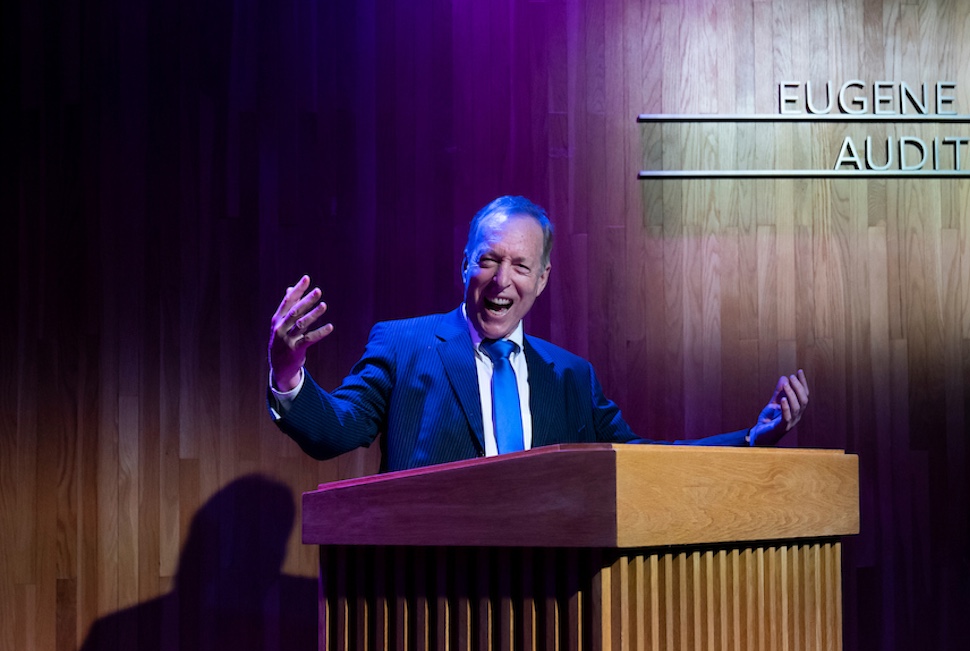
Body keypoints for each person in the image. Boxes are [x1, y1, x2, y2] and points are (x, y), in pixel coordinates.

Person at [267, 195, 809, 472]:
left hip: (544, 609)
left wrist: (750, 440)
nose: (502, 280)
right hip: (431, 604)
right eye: (488, 260)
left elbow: (644, 462)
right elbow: (334, 431)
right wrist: (289, 372)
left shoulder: (572, 378)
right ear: (464, 265)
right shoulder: (403, 345)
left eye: (521, 267)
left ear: (542, 280)